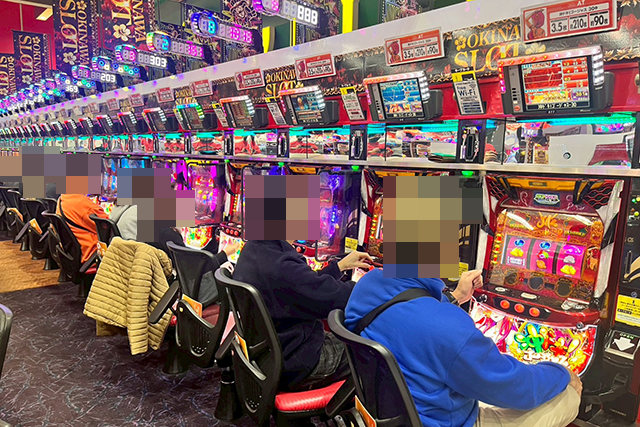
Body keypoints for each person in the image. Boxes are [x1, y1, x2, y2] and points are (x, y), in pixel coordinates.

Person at [344, 269, 581, 427]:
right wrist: (561, 373)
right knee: (568, 397)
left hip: (389, 411)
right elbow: (517, 389)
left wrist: (456, 296)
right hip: (445, 421)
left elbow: (411, 310)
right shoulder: (448, 328)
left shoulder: (367, 284)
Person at [233, 240, 373, 391]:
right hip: (296, 361)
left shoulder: (254, 248)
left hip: (269, 352)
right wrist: (375, 285)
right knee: (373, 350)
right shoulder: (282, 266)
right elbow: (331, 299)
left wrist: (338, 267)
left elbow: (304, 285)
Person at [148, 227, 240, 308]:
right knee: (228, 276)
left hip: (158, 288)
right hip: (176, 290)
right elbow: (193, 270)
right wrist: (225, 254)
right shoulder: (168, 235)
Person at [56, 194, 108, 264]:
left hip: (74, 254)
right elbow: (108, 226)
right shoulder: (82, 203)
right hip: (91, 253)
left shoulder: (63, 198)